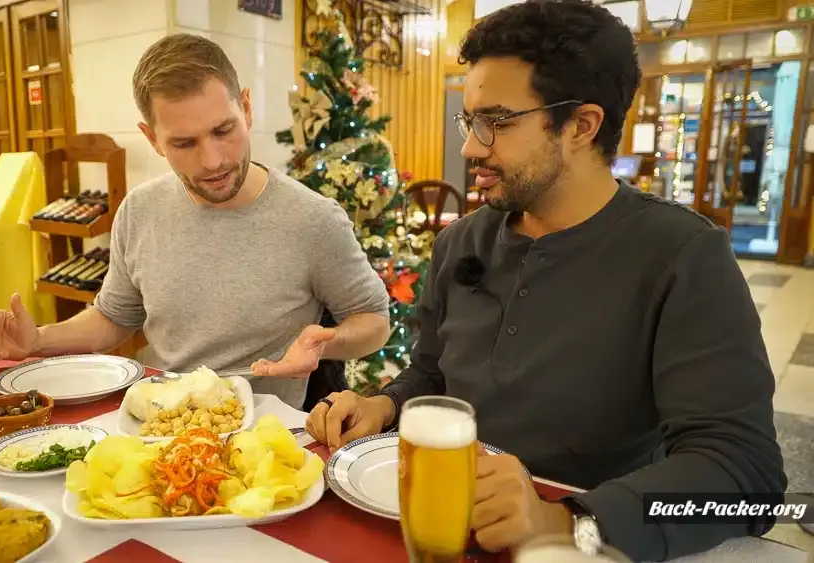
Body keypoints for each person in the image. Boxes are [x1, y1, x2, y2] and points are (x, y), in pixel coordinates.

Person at [305, 0, 786, 560]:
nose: (470, 147)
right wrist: (384, 407)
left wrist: (566, 521)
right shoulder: (461, 241)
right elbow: (432, 373)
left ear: (581, 125)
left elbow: (743, 475)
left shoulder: (682, 256)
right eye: (470, 119)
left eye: (497, 123)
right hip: (433, 525)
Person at [0, 33, 392, 410]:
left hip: (266, 441)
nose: (212, 160)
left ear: (246, 108)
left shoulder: (313, 219)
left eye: (223, 130)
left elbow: (375, 320)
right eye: (183, 142)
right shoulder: (139, 210)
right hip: (162, 422)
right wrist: (38, 340)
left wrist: (327, 343)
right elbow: (114, 318)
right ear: (152, 138)